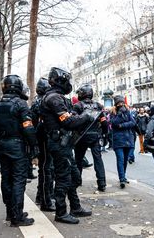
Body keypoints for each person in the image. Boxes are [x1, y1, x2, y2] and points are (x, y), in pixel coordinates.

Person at [40, 67, 93, 224]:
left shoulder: (56, 97)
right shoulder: (54, 98)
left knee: (74, 177)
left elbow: (69, 117)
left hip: (64, 144)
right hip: (59, 144)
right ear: (61, 81)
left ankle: (75, 207)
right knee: (64, 178)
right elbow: (68, 121)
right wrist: (86, 116)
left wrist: (79, 116)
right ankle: (61, 212)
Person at [0, 74, 39, 226]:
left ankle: (10, 212)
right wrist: (34, 145)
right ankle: (17, 216)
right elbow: (28, 127)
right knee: (18, 180)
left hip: (2, 145)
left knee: (6, 179)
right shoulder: (20, 104)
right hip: (17, 146)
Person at [73, 84, 108, 192]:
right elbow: (104, 122)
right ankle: (101, 183)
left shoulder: (78, 106)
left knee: (78, 159)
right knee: (98, 159)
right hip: (94, 136)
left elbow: (74, 121)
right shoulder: (97, 105)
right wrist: (105, 134)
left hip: (82, 136)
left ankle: (77, 181)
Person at [31, 77, 56, 211]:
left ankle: (41, 196)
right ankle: (46, 200)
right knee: (47, 169)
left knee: (44, 169)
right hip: (45, 138)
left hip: (41, 138)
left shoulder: (38, 101)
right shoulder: (43, 102)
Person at [110, 95, 136, 189]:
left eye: (122, 103)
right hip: (118, 140)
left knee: (125, 160)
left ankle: (123, 177)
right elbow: (114, 123)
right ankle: (121, 179)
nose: (121, 104)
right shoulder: (114, 112)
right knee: (120, 160)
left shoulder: (127, 111)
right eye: (119, 103)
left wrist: (122, 126)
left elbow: (133, 123)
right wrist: (119, 114)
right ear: (116, 104)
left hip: (128, 139)